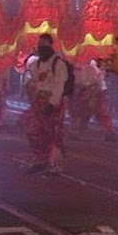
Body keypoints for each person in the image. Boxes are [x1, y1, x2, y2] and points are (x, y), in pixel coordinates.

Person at [23, 34, 70, 175]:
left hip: (53, 103)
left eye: (44, 44)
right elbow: (35, 82)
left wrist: (52, 103)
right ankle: (40, 159)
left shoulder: (58, 64)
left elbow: (59, 86)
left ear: (50, 45)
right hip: (39, 101)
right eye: (40, 44)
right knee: (33, 131)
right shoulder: (35, 64)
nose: (41, 47)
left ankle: (56, 164)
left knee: (54, 134)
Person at [69, 59, 116, 142]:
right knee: (82, 111)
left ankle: (109, 131)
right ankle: (77, 131)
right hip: (83, 89)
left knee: (99, 111)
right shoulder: (78, 61)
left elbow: (101, 74)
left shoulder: (95, 62)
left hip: (95, 89)